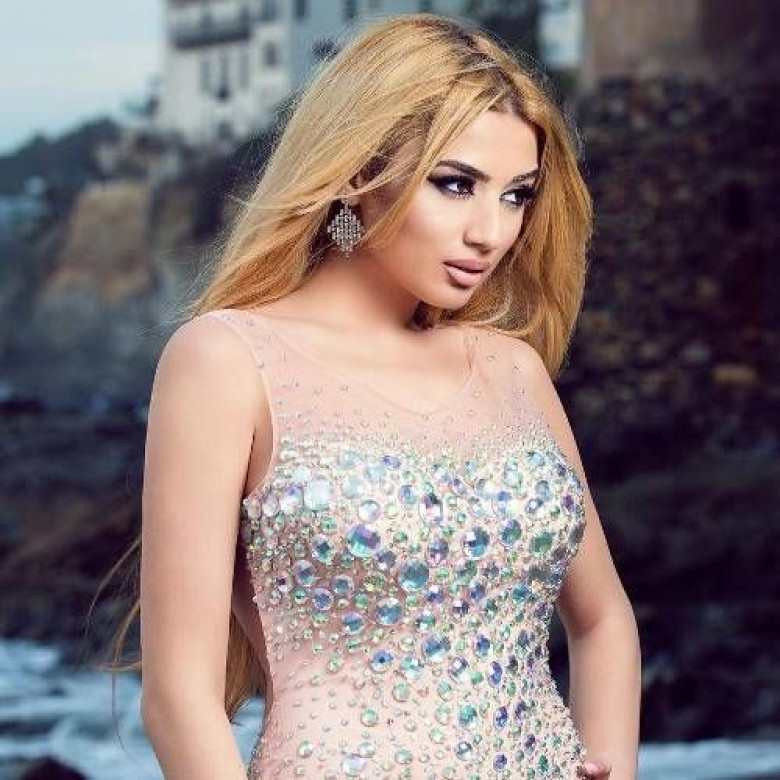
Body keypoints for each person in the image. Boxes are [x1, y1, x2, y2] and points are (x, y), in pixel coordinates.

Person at [101, 12, 641, 779]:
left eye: (516, 196)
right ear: (358, 173)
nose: (490, 232)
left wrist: (613, 765)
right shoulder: (226, 361)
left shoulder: (512, 371)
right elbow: (178, 696)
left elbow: (603, 618)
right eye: (456, 185)